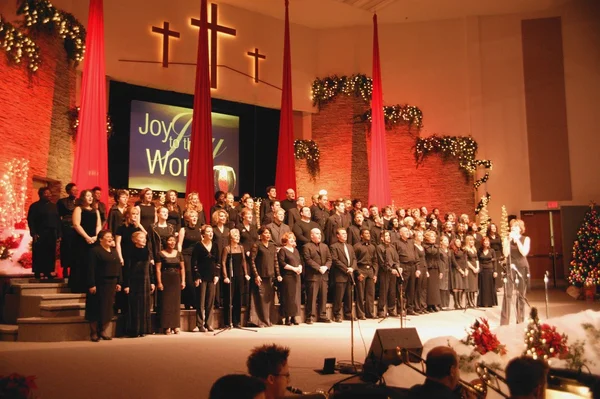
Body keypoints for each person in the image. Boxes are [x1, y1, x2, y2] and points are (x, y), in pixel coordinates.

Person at [85, 230, 122, 342]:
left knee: (107, 308)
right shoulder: (95, 251)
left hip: (111, 283)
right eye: (107, 237)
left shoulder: (114, 251)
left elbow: (118, 268)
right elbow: (90, 269)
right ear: (101, 239)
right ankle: (94, 332)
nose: (111, 238)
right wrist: (91, 284)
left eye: (111, 237)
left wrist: (119, 282)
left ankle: (103, 330)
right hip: (99, 283)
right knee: (95, 307)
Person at [123, 231, 155, 337]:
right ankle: (134, 330)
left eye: (145, 237)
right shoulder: (130, 252)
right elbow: (127, 269)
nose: (144, 239)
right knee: (135, 305)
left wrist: (152, 282)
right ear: (135, 240)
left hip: (145, 281)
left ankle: (143, 329)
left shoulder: (147, 251)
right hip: (134, 281)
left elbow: (150, 268)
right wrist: (126, 285)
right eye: (141, 238)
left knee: (144, 305)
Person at [250, 227, 282, 327]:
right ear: (261, 234)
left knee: (269, 299)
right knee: (260, 299)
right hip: (260, 275)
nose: (268, 235)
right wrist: (256, 275)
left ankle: (268, 319)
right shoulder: (257, 245)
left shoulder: (272, 246)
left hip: (270, 275)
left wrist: (278, 274)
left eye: (269, 233)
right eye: (266, 233)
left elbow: (275, 261)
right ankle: (261, 320)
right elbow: (252, 261)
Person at [71, 190, 102, 293]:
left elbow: (98, 225)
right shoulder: (78, 209)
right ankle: (79, 286)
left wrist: (96, 236)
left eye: (91, 196)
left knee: (92, 263)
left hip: (93, 239)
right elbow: (76, 224)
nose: (90, 198)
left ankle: (90, 285)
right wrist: (86, 237)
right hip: (81, 239)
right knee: (81, 262)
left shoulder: (95, 210)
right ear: (83, 197)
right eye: (88, 196)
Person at [501, 219, 531, 325]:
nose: (513, 228)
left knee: (521, 295)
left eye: (515, 226)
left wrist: (517, 240)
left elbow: (524, 252)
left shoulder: (525, 238)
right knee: (507, 294)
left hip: (522, 267)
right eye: (512, 226)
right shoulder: (507, 238)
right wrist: (508, 241)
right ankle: (504, 322)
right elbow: (505, 254)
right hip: (510, 267)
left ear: (520, 228)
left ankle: (520, 320)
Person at [27, 187, 60, 279]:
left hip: (52, 232)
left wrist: (59, 234)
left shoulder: (54, 206)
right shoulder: (35, 206)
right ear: (40, 195)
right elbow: (31, 220)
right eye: (46, 193)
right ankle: (38, 271)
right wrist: (33, 232)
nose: (49, 195)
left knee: (50, 252)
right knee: (39, 252)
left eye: (49, 193)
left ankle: (48, 271)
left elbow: (58, 221)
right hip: (40, 232)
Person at [191, 224, 220, 332]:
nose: (211, 233)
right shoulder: (198, 245)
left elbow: (217, 261)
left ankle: (208, 323)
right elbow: (194, 262)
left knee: (210, 302)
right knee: (201, 301)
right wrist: (196, 276)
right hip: (201, 276)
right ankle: (200, 324)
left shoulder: (215, 245)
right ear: (203, 234)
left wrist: (217, 275)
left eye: (211, 231)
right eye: (208, 231)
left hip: (212, 276)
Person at [155, 235, 185, 334]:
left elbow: (182, 268)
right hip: (165, 278)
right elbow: (158, 269)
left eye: (173, 240)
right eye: (170, 240)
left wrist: (183, 281)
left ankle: (175, 325)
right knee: (166, 303)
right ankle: (166, 326)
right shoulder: (160, 254)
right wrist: (159, 282)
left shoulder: (179, 254)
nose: (172, 242)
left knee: (175, 303)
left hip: (176, 278)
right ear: (166, 242)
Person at [221, 229, 251, 328]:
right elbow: (223, 263)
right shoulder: (227, 248)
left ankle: (236, 321)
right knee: (228, 299)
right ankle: (227, 322)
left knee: (238, 299)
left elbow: (243, 261)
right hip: (230, 276)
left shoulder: (241, 248)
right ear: (231, 237)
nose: (238, 237)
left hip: (239, 275)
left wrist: (246, 273)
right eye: (235, 236)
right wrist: (225, 276)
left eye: (238, 236)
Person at [302, 228, 332, 324]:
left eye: (320, 233)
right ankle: (310, 316)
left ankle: (322, 315)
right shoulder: (306, 246)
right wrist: (319, 268)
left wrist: (326, 267)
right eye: (317, 233)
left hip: (324, 275)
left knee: (323, 296)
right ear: (311, 235)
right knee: (312, 296)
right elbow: (308, 260)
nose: (319, 235)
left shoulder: (325, 246)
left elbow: (329, 259)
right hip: (313, 275)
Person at [330, 228, 357, 322]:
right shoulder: (334, 246)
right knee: (339, 296)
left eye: (345, 233)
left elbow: (354, 259)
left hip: (350, 274)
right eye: (342, 234)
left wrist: (352, 268)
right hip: (340, 274)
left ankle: (348, 314)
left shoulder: (350, 246)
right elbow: (335, 260)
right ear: (337, 235)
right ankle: (336, 315)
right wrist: (346, 269)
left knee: (349, 296)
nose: (345, 235)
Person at [178, 209, 201, 310]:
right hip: (186, 255)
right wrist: (180, 256)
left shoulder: (199, 230)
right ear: (188, 219)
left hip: (196, 256)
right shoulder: (183, 230)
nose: (195, 218)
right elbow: (179, 244)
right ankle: (188, 302)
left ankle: (195, 301)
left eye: (196, 216)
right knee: (188, 278)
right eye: (192, 216)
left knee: (196, 278)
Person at [277, 232, 302, 326]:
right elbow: (282, 263)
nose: (292, 240)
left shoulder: (295, 250)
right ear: (286, 240)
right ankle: (287, 317)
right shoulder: (283, 250)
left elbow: (299, 261)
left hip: (296, 275)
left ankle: (294, 317)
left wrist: (300, 268)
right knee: (288, 297)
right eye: (290, 238)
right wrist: (293, 268)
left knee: (296, 297)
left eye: (293, 238)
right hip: (288, 276)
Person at [353, 228, 378, 319]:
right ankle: (361, 314)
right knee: (360, 293)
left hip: (370, 270)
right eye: (366, 233)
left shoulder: (372, 246)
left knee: (370, 294)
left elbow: (375, 261)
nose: (368, 235)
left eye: (369, 233)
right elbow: (354, 261)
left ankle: (370, 313)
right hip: (361, 269)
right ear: (361, 235)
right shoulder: (357, 246)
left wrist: (375, 274)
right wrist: (358, 273)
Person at [393, 227, 418, 316]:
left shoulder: (411, 242)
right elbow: (396, 257)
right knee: (402, 289)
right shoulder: (396, 243)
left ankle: (410, 308)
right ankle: (401, 309)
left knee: (411, 289)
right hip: (403, 266)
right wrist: (398, 267)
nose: (407, 232)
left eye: (408, 231)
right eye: (405, 231)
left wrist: (417, 268)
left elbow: (415, 255)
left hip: (412, 267)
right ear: (400, 233)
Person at [376, 230, 400, 318]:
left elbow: (396, 260)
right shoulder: (379, 247)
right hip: (384, 272)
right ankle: (381, 310)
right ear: (382, 238)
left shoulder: (392, 247)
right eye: (386, 236)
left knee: (392, 291)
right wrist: (390, 270)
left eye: (389, 235)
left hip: (393, 272)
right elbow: (381, 262)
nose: (388, 237)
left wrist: (397, 268)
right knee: (384, 291)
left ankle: (391, 309)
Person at [57, 182, 78, 277]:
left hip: (77, 228)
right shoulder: (62, 202)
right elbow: (58, 216)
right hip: (66, 227)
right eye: (73, 190)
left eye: (76, 190)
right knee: (66, 248)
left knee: (75, 249)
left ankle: (74, 269)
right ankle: (65, 268)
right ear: (68, 191)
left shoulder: (79, 202)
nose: (75, 192)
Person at [423, 230, 442, 312]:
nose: (433, 238)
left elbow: (438, 259)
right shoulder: (424, 247)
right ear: (427, 238)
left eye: (434, 237)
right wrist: (426, 269)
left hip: (435, 268)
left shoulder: (437, 247)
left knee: (435, 288)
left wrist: (440, 271)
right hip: (428, 268)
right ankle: (428, 305)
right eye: (431, 236)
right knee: (429, 287)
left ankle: (434, 304)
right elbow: (424, 259)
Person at [477, 236, 498, 307]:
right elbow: (478, 261)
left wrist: (495, 271)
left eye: (488, 241)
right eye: (485, 241)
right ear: (482, 242)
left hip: (490, 270)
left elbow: (495, 261)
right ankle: (483, 303)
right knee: (483, 287)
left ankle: (490, 302)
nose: (486, 242)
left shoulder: (492, 251)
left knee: (490, 287)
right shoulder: (479, 251)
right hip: (482, 270)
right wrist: (479, 268)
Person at [413, 230, 428, 314]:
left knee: (423, 289)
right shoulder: (414, 246)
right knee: (418, 288)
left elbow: (424, 259)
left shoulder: (422, 247)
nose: (422, 237)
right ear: (416, 238)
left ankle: (423, 306)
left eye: (422, 236)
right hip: (418, 268)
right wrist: (417, 269)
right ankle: (417, 307)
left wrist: (426, 270)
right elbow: (416, 259)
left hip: (424, 268)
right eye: (419, 236)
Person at [450, 237, 468, 309]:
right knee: (457, 287)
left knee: (461, 287)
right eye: (457, 241)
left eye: (459, 241)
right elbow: (453, 261)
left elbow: (465, 260)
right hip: (456, 270)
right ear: (454, 243)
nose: (459, 243)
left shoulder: (463, 250)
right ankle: (456, 303)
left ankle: (460, 303)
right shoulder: (452, 251)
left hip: (464, 270)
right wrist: (460, 270)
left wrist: (466, 269)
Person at [464, 235, 480, 308]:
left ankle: (473, 301)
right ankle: (469, 302)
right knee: (470, 286)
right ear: (467, 241)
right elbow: (466, 261)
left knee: (474, 286)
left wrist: (477, 267)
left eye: (473, 240)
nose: (472, 241)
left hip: (475, 268)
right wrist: (473, 268)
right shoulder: (466, 249)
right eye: (470, 240)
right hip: (470, 268)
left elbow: (476, 259)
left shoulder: (474, 249)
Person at [438, 235, 452, 309]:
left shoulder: (449, 251)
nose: (447, 242)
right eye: (445, 240)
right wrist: (440, 271)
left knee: (447, 287)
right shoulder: (439, 250)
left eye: (447, 240)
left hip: (448, 270)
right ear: (441, 242)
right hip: (442, 269)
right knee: (442, 286)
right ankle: (442, 304)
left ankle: (447, 304)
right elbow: (438, 261)